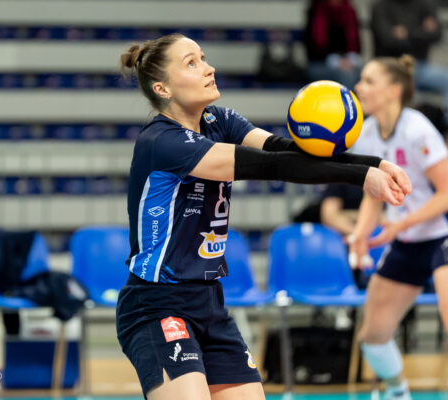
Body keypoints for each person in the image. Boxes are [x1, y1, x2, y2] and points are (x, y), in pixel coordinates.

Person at [115, 33, 411, 400]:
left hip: (209, 302)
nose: (208, 68)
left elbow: (286, 150)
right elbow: (272, 166)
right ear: (163, 88)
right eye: (191, 63)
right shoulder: (162, 142)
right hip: (156, 304)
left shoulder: (219, 120)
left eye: (204, 58)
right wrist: (362, 176)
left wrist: (376, 164)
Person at [348, 55, 448, 399]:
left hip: (444, 237)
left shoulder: (417, 130)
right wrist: (360, 235)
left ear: (394, 90)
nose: (359, 87)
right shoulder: (367, 134)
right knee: (373, 336)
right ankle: (398, 392)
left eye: (369, 81)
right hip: (407, 241)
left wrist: (400, 223)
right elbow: (373, 197)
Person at [370, 0, 448, 124]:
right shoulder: (381, 6)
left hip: (421, 66)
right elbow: (388, 40)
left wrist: (407, 33)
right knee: (407, 77)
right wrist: (421, 33)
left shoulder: (425, 4)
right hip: (391, 68)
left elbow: (437, 34)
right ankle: (404, 126)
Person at [303, 0, 362, 90]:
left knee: (364, 73)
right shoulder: (317, 11)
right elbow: (314, 49)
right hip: (320, 63)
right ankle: (346, 99)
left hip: (347, 61)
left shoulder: (349, 11)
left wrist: (350, 59)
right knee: (346, 76)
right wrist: (337, 61)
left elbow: (357, 46)